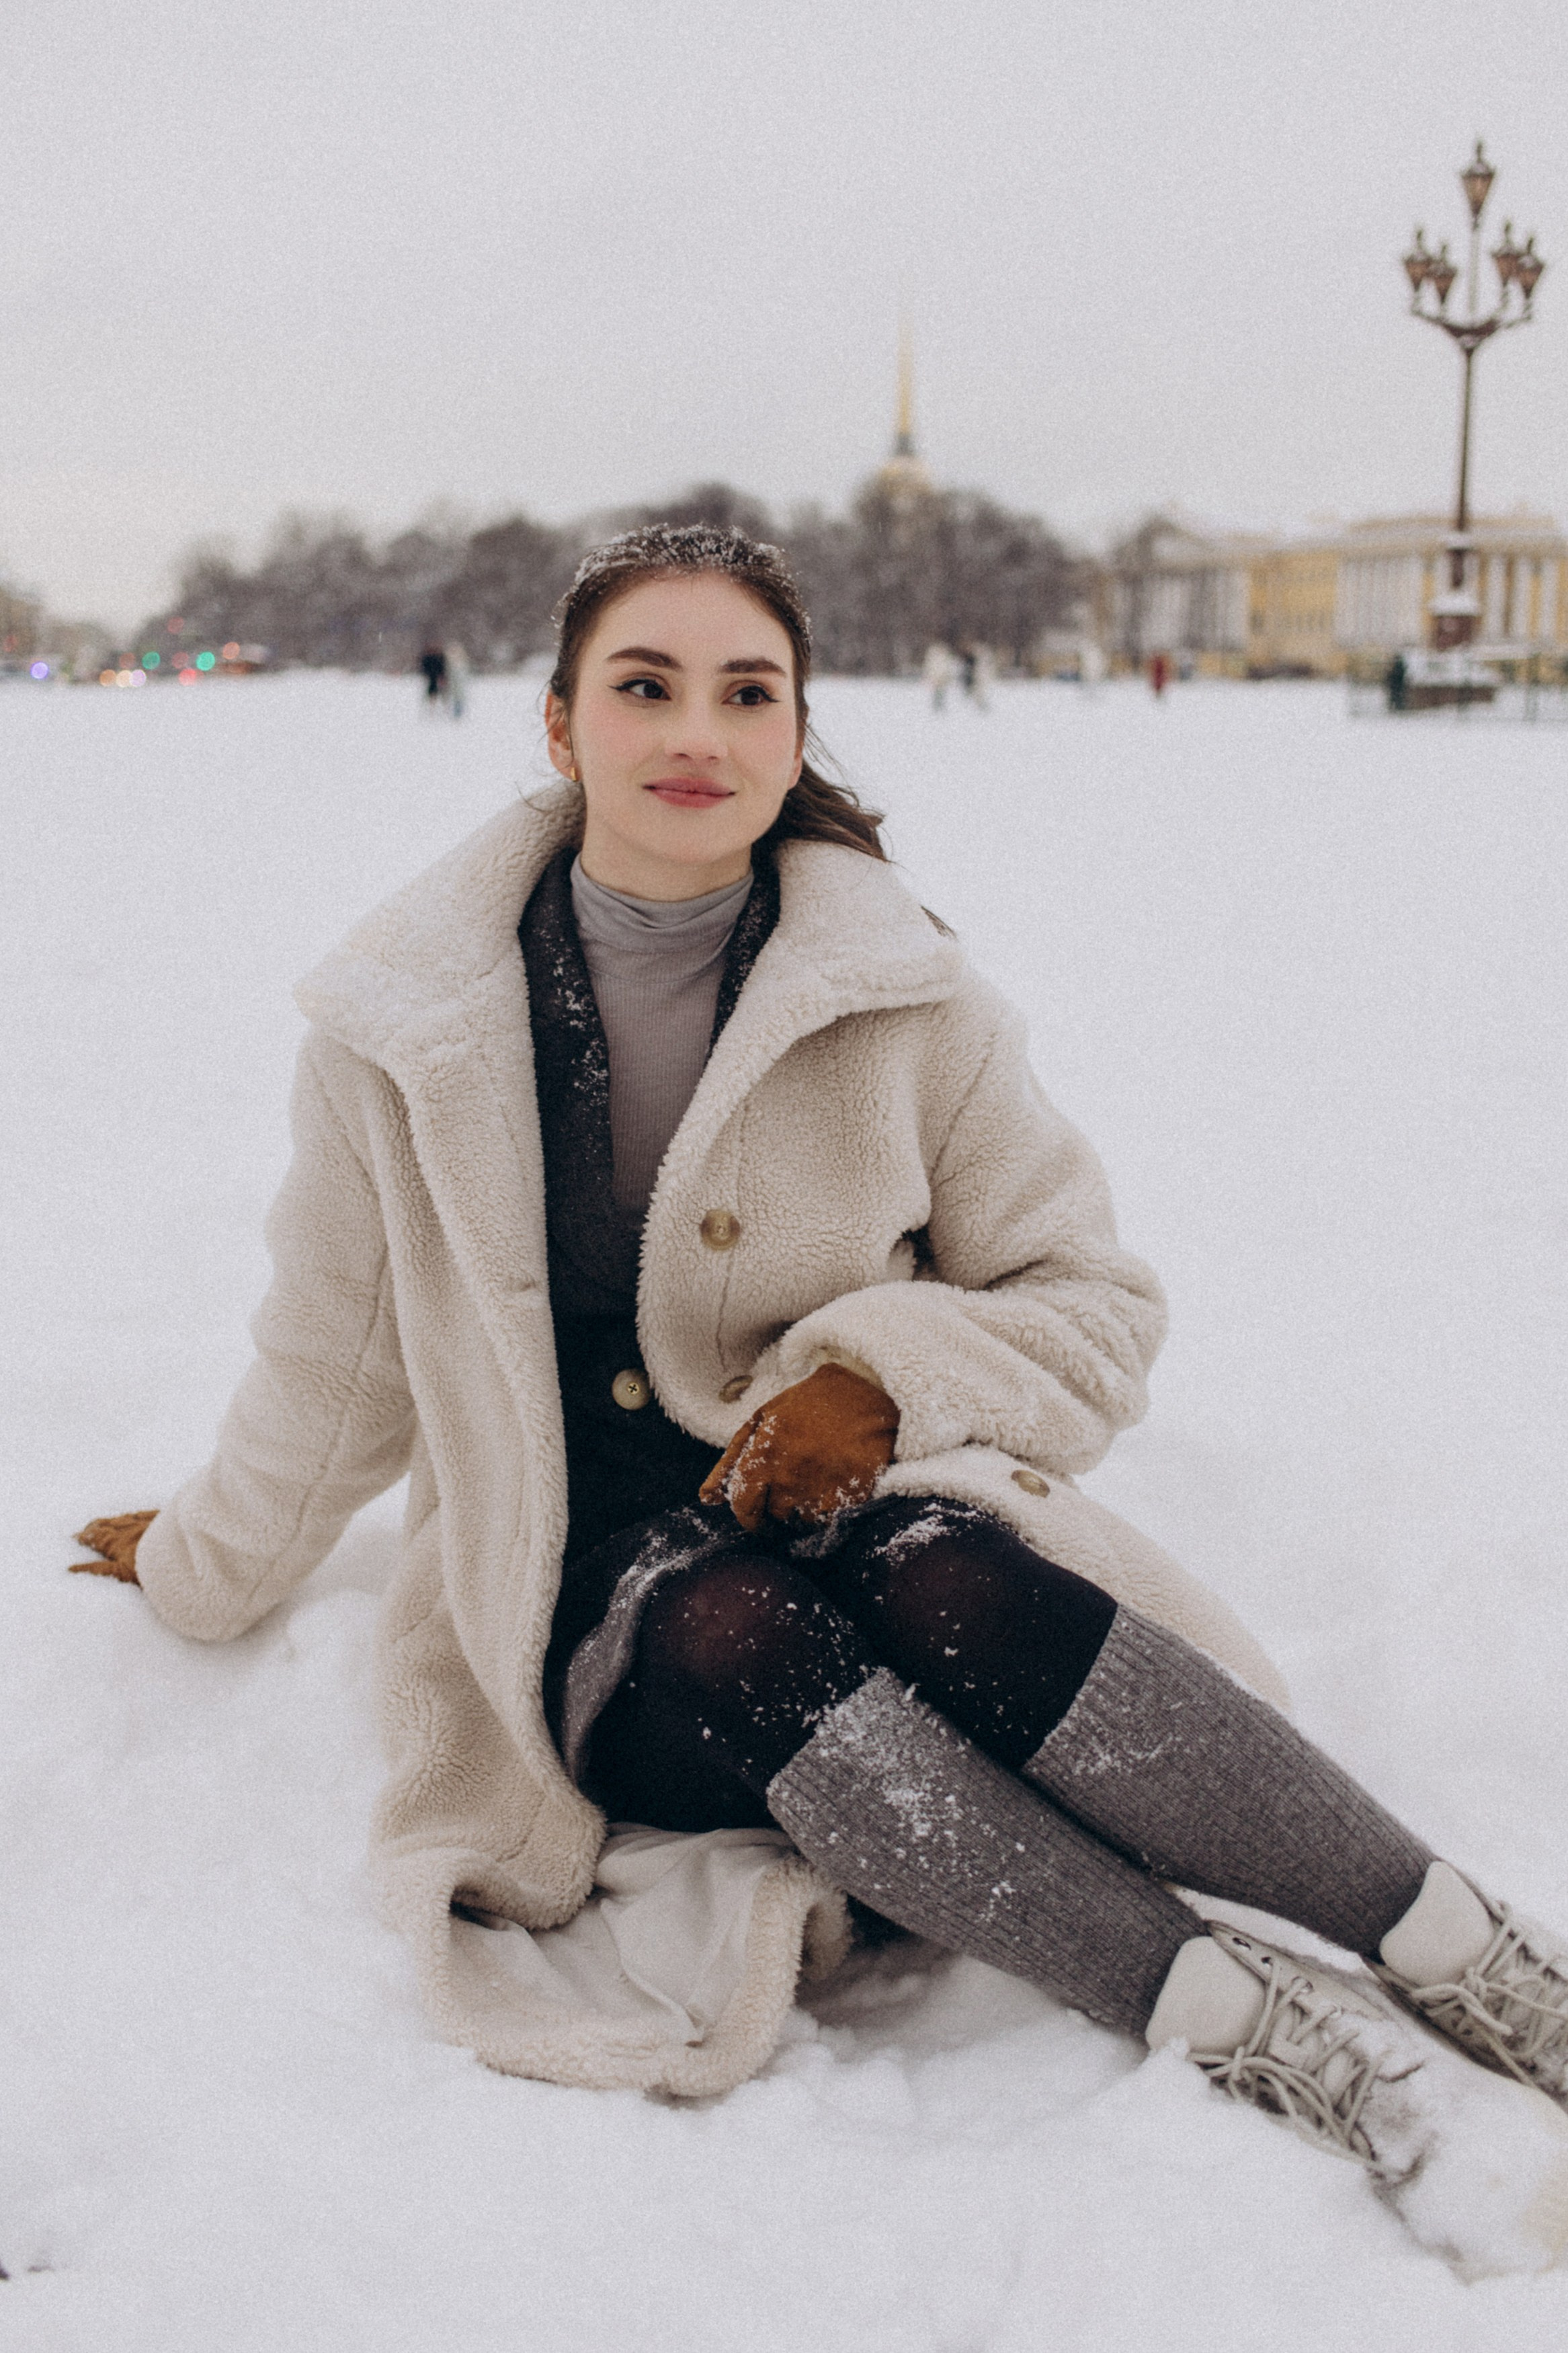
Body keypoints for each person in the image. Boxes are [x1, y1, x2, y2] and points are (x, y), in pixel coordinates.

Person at [73, 526, 1568, 2272]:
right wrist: (194, 1563)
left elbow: (1092, 1303)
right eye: (643, 685)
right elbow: (331, 1369)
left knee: (946, 1575)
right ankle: (1241, 2027)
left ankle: (1475, 1958)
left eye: (744, 689)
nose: (692, 727)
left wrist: (880, 1371)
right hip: (591, 1589)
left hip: (862, 1498)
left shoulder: (910, 1003)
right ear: (558, 725)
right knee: (725, 1627)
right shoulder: (398, 1032)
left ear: (795, 735)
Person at [418, 641, 448, 705]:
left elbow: (442, 667)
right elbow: (424, 667)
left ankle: (443, 704)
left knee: (442, 690)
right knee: (432, 690)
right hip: (432, 676)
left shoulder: (439, 657)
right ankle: (432, 703)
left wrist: (442, 676)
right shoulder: (428, 658)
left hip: (438, 676)